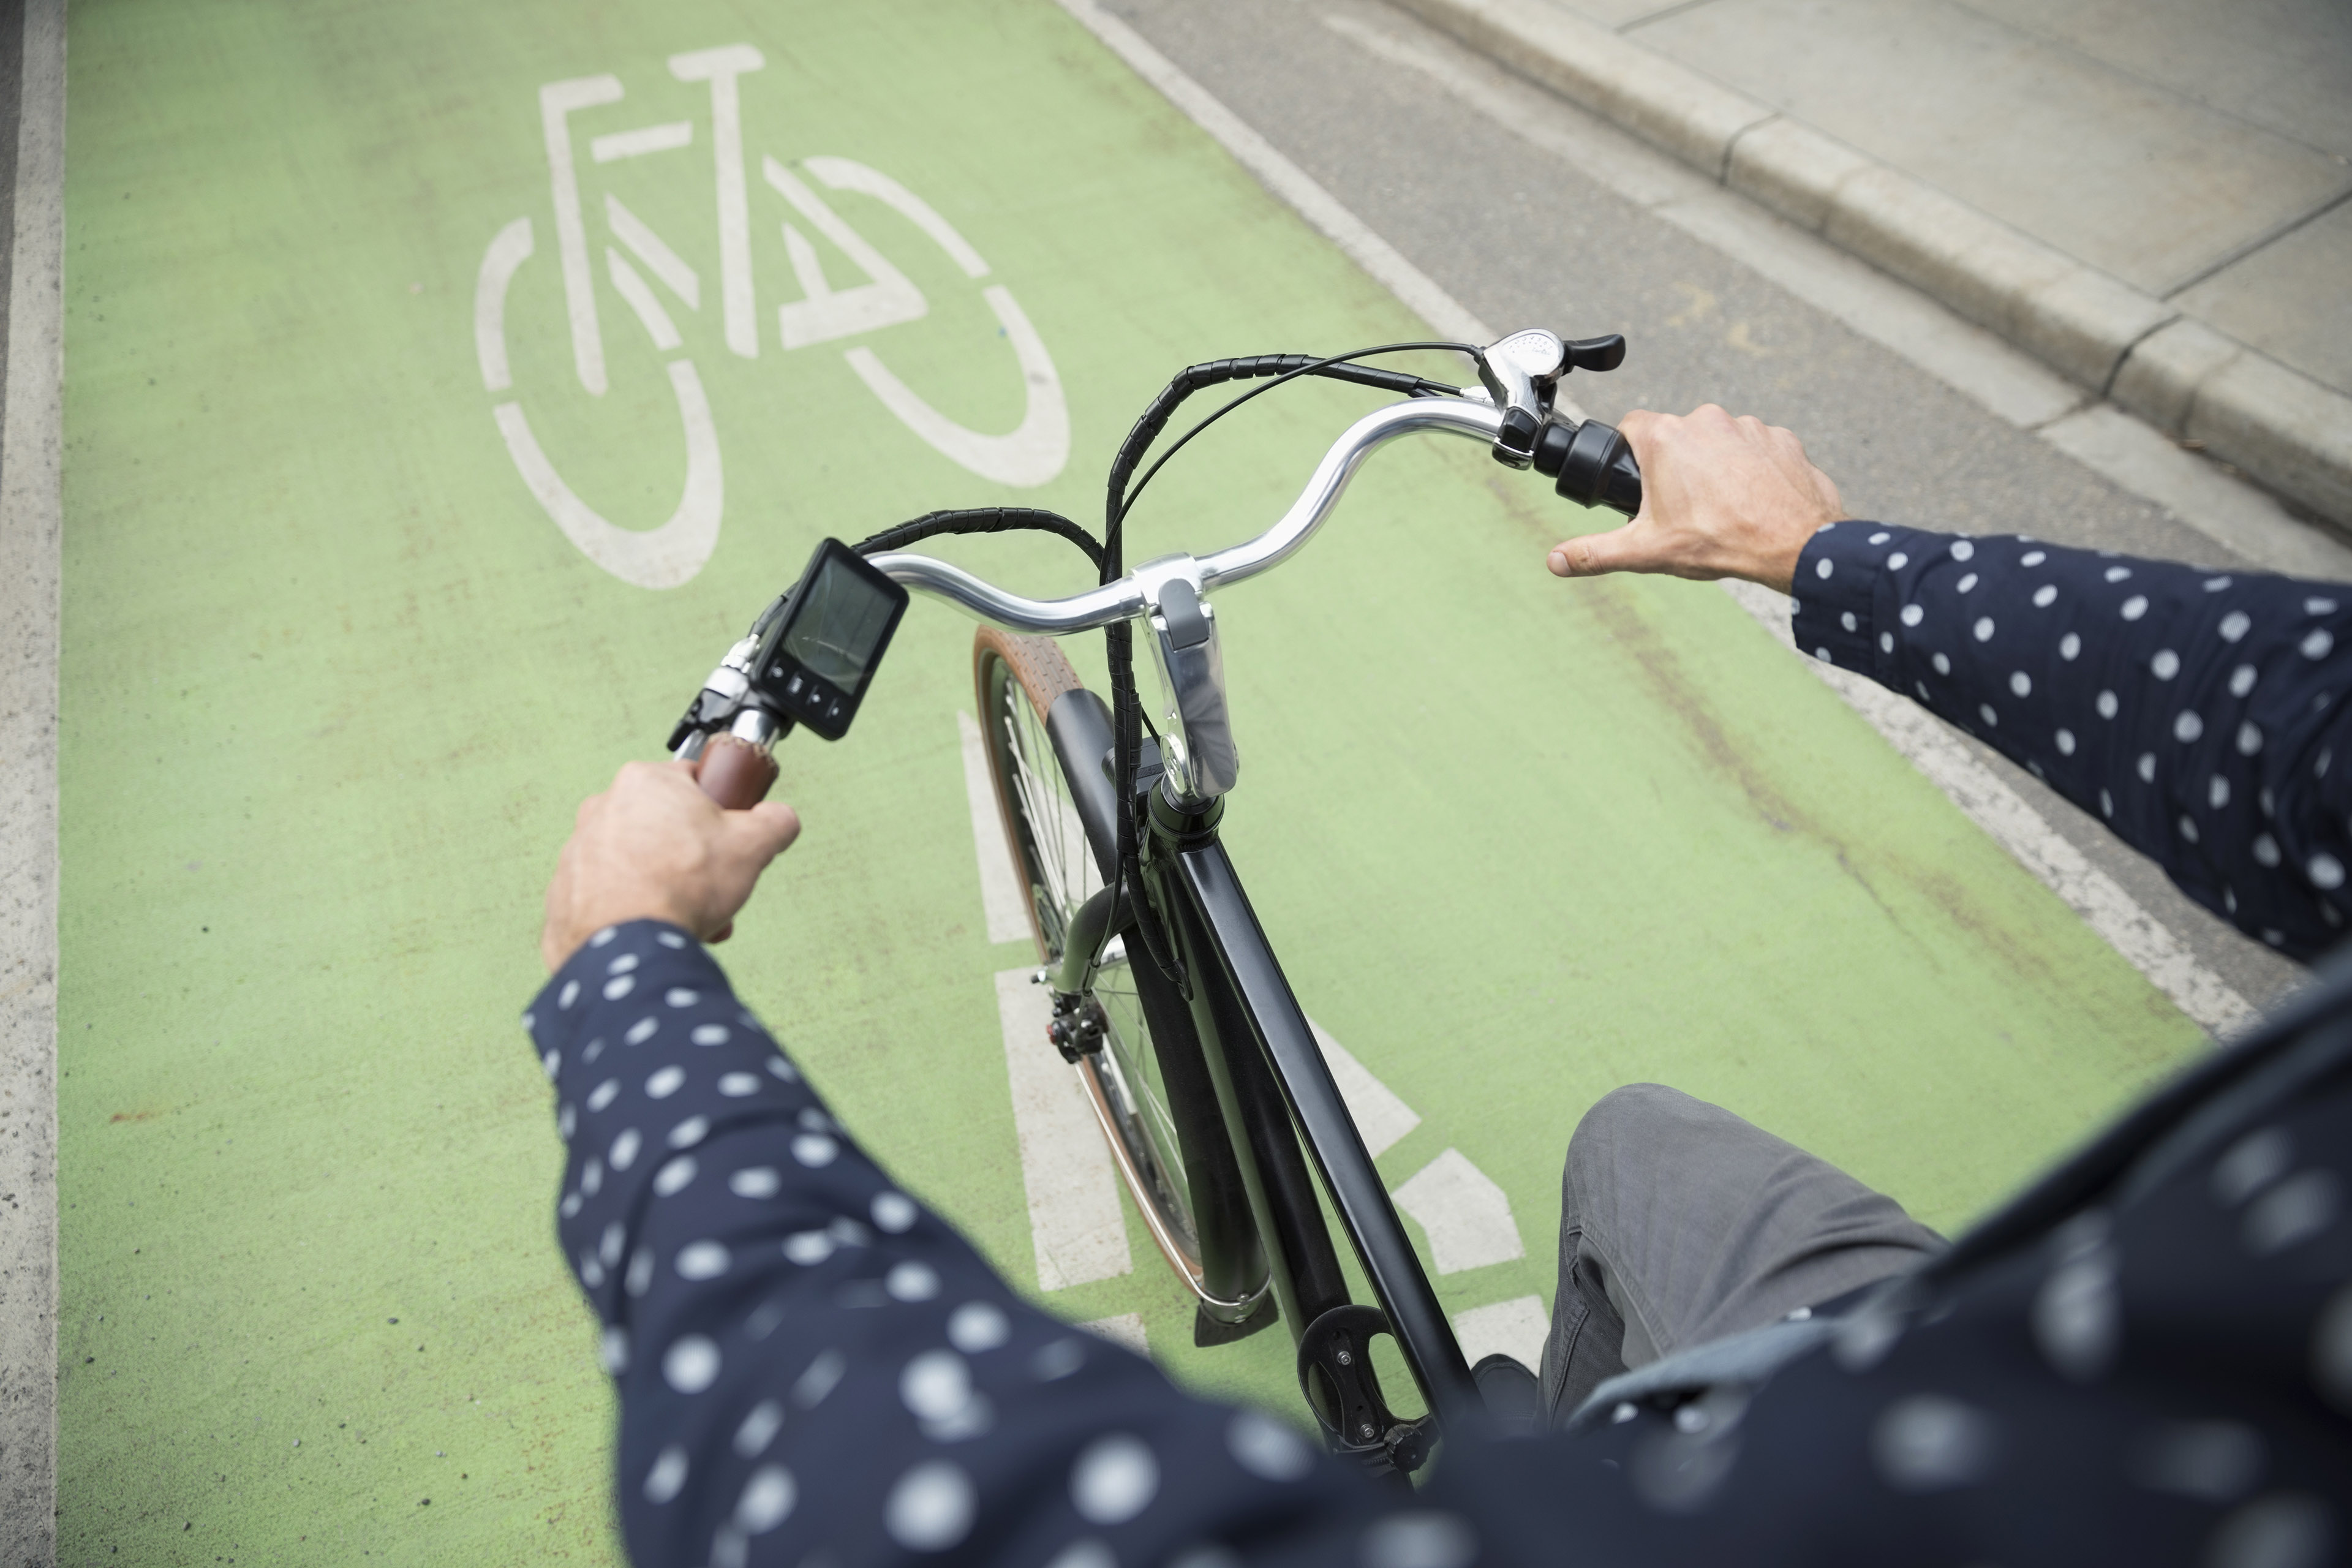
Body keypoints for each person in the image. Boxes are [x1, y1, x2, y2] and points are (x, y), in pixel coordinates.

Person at [526, 407, 2352, 1567]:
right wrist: (1829, 557)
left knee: (1620, 1194)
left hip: (1816, 1473)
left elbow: (850, 1477)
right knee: (1647, 1141)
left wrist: (627, 981)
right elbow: (2306, 735)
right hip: (1998, 1355)